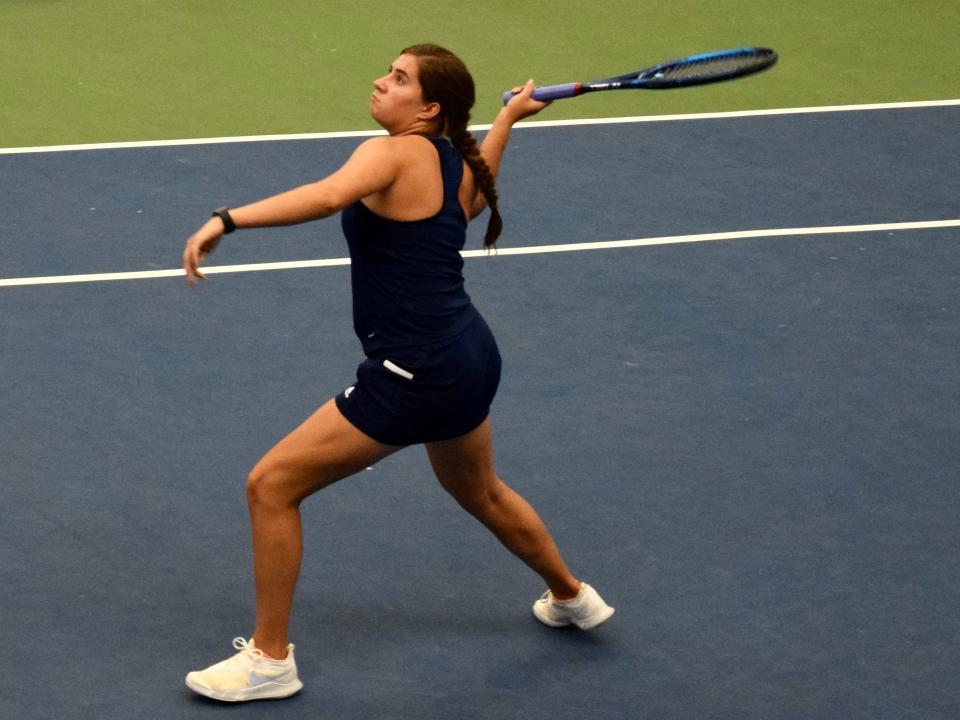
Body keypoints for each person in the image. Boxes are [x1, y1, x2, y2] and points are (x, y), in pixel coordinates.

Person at [181, 43, 614, 703]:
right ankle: (572, 597)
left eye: (400, 78)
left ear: (429, 107)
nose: (382, 82)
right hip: (469, 355)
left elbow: (328, 197)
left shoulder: (388, 153)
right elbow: (469, 204)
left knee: (270, 487)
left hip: (413, 369)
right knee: (482, 492)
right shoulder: (446, 158)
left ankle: (270, 662)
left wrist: (226, 219)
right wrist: (507, 122)